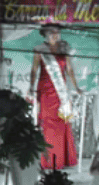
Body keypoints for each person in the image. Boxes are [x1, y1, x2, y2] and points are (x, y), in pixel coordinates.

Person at [29, 23, 82, 169]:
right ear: (45, 34)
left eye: (57, 32)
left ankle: (62, 159)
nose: (55, 35)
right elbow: (34, 70)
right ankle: (47, 160)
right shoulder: (39, 50)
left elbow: (69, 70)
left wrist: (76, 87)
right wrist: (30, 87)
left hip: (61, 93)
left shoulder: (64, 49)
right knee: (47, 125)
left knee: (61, 123)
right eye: (51, 32)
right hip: (45, 91)